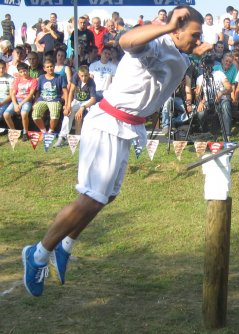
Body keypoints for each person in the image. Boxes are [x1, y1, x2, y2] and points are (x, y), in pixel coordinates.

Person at [21, 6, 212, 298]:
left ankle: (65, 244)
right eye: (195, 34)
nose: (198, 39)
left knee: (107, 195)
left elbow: (177, 59)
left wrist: (194, 49)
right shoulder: (156, 44)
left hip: (128, 127)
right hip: (108, 123)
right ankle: (36, 254)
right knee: (92, 196)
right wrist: (166, 26)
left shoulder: (180, 54)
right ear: (175, 29)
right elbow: (126, 42)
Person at [55, 65, 97, 147]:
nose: (84, 78)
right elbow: (71, 91)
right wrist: (68, 106)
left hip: (87, 102)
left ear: (89, 74)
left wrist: (83, 107)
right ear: (78, 75)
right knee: (68, 114)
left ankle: (89, 137)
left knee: (92, 115)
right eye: (82, 76)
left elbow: (93, 99)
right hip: (76, 100)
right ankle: (62, 137)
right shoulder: (75, 77)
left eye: (86, 76)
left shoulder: (91, 82)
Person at [31, 58, 68, 133]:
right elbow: (38, 91)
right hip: (42, 99)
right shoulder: (41, 78)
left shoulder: (60, 77)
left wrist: (66, 105)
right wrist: (35, 101)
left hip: (55, 100)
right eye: (47, 67)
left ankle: (51, 130)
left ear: (54, 67)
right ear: (44, 69)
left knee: (54, 115)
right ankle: (44, 131)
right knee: (35, 115)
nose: (50, 68)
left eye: (51, 66)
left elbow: (65, 91)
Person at [3, 63, 37, 142]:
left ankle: (25, 132)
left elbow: (31, 95)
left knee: (24, 113)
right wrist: (15, 104)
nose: (23, 73)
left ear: (28, 70)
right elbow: (13, 93)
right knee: (6, 114)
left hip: (27, 101)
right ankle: (14, 131)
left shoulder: (33, 80)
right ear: (19, 72)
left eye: (25, 71)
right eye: (21, 72)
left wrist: (20, 104)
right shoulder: (17, 80)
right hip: (16, 100)